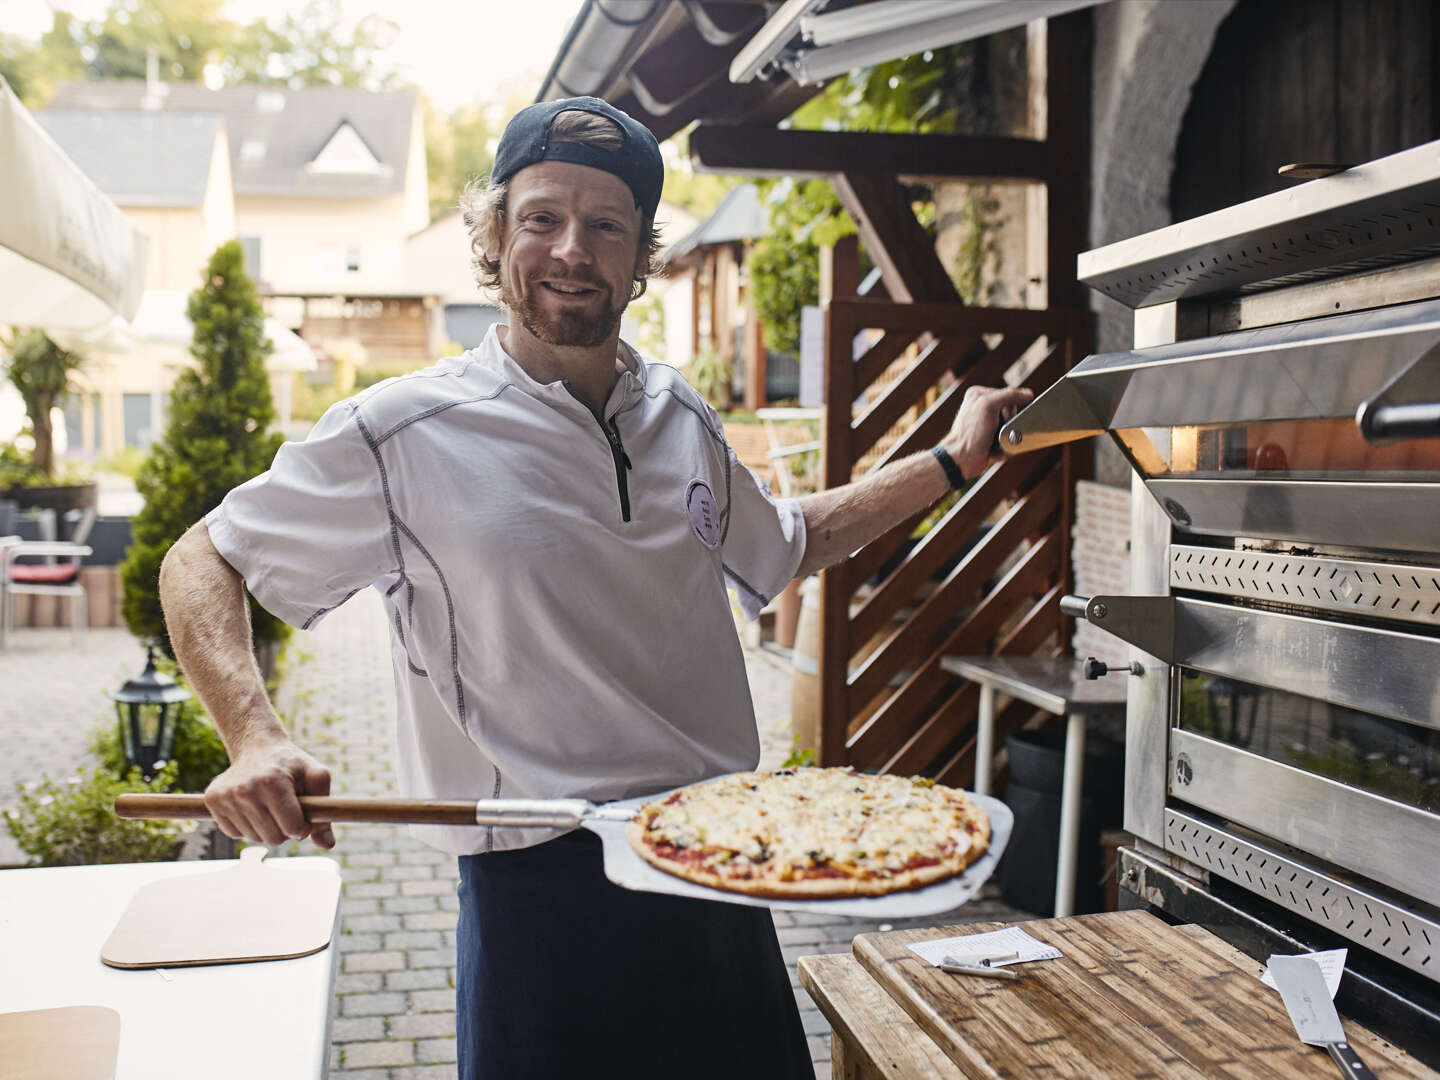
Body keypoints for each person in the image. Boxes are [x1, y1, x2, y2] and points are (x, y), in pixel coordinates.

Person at [158, 96, 1031, 1080]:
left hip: (720, 861)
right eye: (542, 218)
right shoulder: (398, 430)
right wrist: (255, 733)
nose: (573, 248)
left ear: (640, 256)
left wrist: (955, 460)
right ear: (495, 237)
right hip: (541, 894)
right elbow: (203, 555)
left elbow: (788, 544)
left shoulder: (679, 414)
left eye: (606, 224)